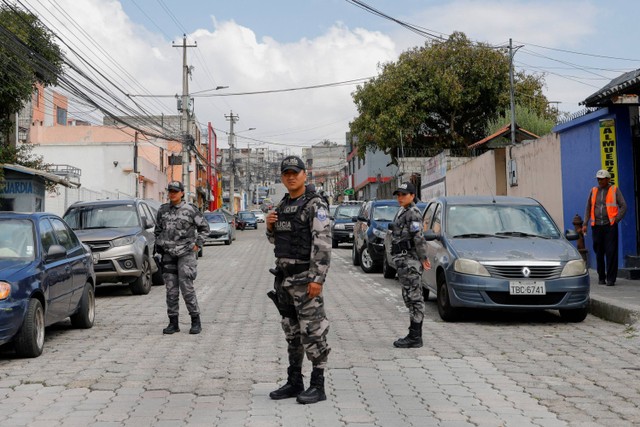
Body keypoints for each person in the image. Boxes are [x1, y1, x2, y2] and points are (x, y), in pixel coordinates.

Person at [265, 155, 332, 405]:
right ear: (282, 178)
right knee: (292, 333)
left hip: (306, 281)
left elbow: (323, 244)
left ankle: (318, 385)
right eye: (286, 173)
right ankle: (295, 381)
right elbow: (278, 243)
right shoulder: (283, 205)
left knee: (313, 333)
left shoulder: (315, 205)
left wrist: (317, 279)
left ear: (305, 174)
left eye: (295, 172)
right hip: (284, 282)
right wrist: (270, 228)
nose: (291, 177)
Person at [155, 181, 210, 334]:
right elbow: (158, 230)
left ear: (182, 193)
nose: (172, 194)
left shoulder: (190, 210)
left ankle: (195, 320)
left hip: (186, 253)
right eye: (170, 191)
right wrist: (159, 244)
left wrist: (198, 244)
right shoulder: (163, 210)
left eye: (175, 191)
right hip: (168, 254)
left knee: (187, 288)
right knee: (171, 290)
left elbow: (205, 228)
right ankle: (173, 322)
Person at [389, 182, 431, 348]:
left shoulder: (413, 213)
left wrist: (423, 257)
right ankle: (413, 333)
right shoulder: (403, 211)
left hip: (411, 261)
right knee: (409, 297)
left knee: (415, 298)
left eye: (404, 194)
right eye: (398, 195)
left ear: (412, 196)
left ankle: (415, 337)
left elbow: (418, 237)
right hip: (404, 262)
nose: (400, 198)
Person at [582, 169, 627, 286]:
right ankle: (601, 277)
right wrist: (585, 223)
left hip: (610, 226)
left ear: (608, 179)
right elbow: (588, 208)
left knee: (611, 252)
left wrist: (616, 219)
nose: (600, 181)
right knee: (599, 252)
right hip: (596, 227)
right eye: (598, 179)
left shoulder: (614, 190)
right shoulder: (593, 191)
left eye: (602, 179)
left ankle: (611, 279)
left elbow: (623, 206)